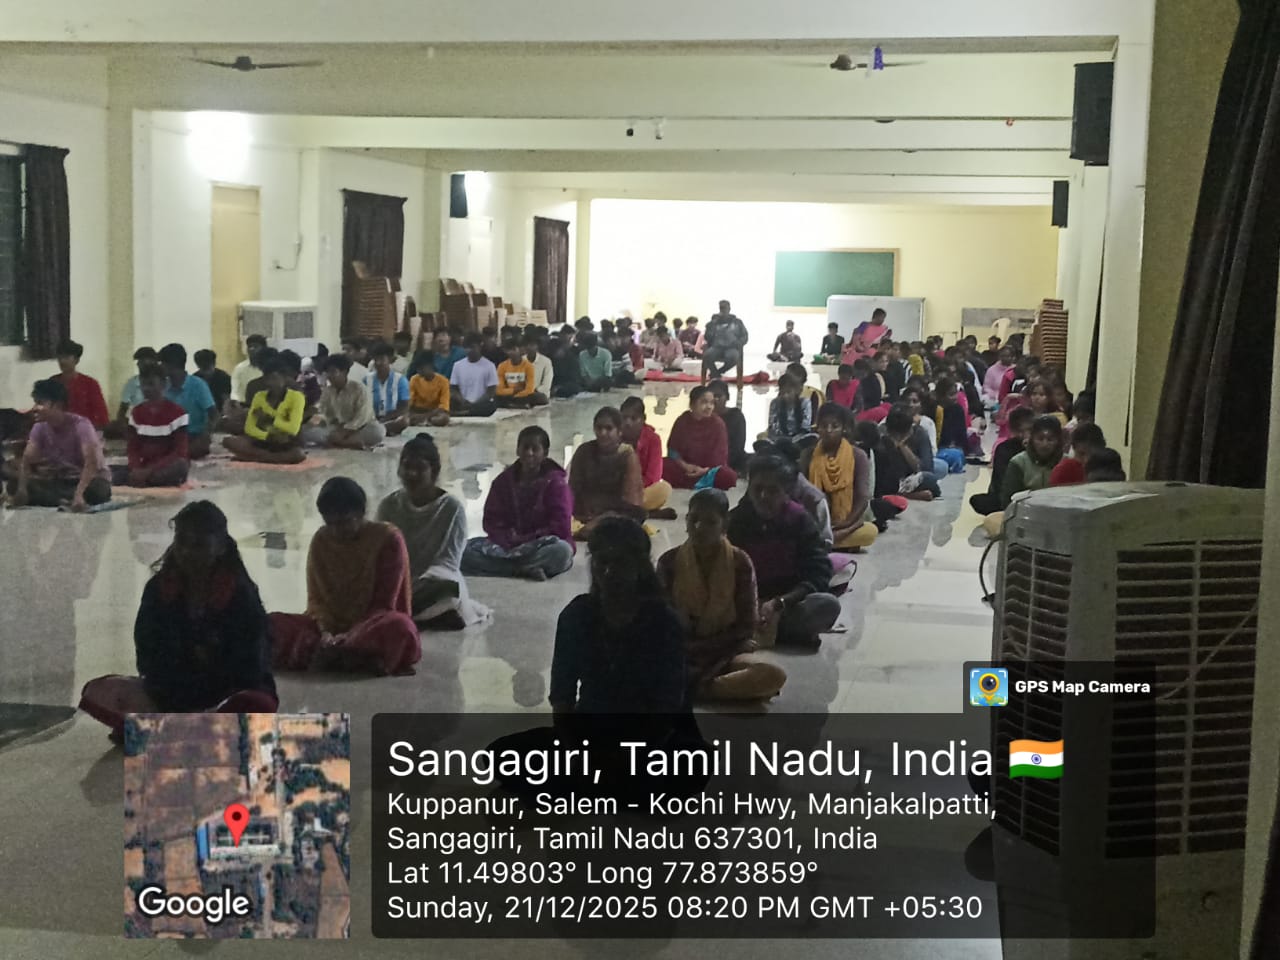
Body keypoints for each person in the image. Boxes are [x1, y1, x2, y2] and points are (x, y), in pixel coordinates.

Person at [77, 502, 278, 740]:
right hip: (172, 694)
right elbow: (147, 657)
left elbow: (251, 667)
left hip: (225, 694)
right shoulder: (158, 589)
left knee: (257, 704)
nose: (187, 552)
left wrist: (204, 682)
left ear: (221, 547)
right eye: (181, 541)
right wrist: (174, 688)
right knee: (100, 691)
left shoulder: (240, 594)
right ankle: (192, 729)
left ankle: (169, 729)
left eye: (199, 545)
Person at [269, 477, 420, 675]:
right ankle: (345, 655)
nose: (335, 531)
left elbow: (385, 604)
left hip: (371, 627)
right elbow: (317, 601)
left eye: (343, 523)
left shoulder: (388, 539)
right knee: (271, 624)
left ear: (362, 513)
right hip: (324, 630)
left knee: (400, 627)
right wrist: (325, 632)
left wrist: (348, 635)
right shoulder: (321, 539)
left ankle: (331, 654)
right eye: (329, 523)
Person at [657, 490, 786, 702]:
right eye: (694, 519)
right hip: (679, 652)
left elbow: (746, 624)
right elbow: (662, 622)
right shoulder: (669, 561)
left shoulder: (740, 562)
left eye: (710, 522)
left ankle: (696, 688)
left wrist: (713, 646)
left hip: (726, 653)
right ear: (686, 521)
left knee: (772, 674)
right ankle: (708, 688)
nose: (700, 527)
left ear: (725, 524)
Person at [549, 515, 686, 713]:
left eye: (620, 563)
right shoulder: (577, 615)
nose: (608, 572)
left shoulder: (663, 622)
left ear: (640, 567)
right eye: (602, 561)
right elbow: (562, 696)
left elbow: (669, 703)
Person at [376, 435, 490, 630]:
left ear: (434, 471)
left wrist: (418, 584)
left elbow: (449, 563)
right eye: (406, 467)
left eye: (419, 468)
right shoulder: (388, 506)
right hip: (398, 583)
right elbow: (380, 555)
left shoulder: (451, 508)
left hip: (433, 584)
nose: (411, 474)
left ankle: (398, 614)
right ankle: (413, 615)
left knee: (448, 589)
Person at [727, 456, 839, 649]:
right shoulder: (737, 520)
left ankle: (753, 633)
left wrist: (779, 603)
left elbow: (818, 574)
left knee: (827, 605)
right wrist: (749, 605)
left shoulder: (801, 521)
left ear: (786, 492)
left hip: (787, 604)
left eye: (772, 491)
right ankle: (782, 635)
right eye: (757, 489)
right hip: (743, 605)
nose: (763, 496)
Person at [461, 425, 576, 581]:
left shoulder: (556, 484)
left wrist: (527, 538)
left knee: (562, 552)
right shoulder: (503, 481)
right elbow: (491, 521)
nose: (529, 453)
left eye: (535, 449)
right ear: (517, 450)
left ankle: (507, 568)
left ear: (545, 453)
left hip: (541, 544)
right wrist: (507, 538)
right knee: (463, 550)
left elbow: (561, 527)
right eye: (525, 447)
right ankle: (525, 569)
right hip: (506, 545)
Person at [6, 378, 111, 510]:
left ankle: (64, 499)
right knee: (13, 485)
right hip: (59, 481)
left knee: (98, 491)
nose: (34, 408)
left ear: (57, 405)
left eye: (40, 403)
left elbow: (91, 463)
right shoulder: (39, 427)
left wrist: (79, 494)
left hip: (88, 481)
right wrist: (22, 490)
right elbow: (27, 460)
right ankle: (63, 500)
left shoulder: (82, 425)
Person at [805, 404, 877, 551]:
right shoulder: (808, 455)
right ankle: (831, 541)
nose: (829, 430)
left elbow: (863, 496)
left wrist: (848, 523)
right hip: (818, 521)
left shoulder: (858, 455)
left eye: (835, 426)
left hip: (847, 520)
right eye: (824, 426)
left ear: (844, 428)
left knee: (870, 532)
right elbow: (803, 495)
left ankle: (823, 543)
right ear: (817, 428)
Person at [568, 406, 647, 538]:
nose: (603, 433)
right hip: (585, 512)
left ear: (619, 431)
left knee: (661, 491)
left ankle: (597, 525)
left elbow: (630, 501)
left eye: (609, 428)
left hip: (616, 512)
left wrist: (606, 514)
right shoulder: (584, 451)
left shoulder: (627, 455)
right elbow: (572, 488)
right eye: (599, 428)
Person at [223, 353, 307, 463]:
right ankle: (270, 458)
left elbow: (292, 428)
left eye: (274, 378)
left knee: (298, 454)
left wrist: (269, 418)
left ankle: (256, 457)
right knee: (228, 441)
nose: (270, 383)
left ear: (284, 378)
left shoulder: (297, 397)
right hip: (263, 439)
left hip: (287, 440)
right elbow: (249, 428)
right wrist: (268, 436)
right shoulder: (259, 396)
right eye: (267, 379)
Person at [119, 363, 190, 487]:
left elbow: (179, 451)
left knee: (181, 465)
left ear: (164, 385)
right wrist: (136, 467)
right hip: (144, 465)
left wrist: (149, 471)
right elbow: (133, 448)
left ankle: (142, 480)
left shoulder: (178, 413)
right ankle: (142, 479)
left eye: (151, 384)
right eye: (143, 384)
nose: (146, 388)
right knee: (108, 471)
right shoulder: (136, 412)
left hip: (164, 466)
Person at [663, 386, 739, 490]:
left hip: (708, 472)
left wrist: (704, 470)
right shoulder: (682, 421)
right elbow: (673, 451)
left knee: (728, 476)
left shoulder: (718, 424)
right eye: (704, 402)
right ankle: (697, 483)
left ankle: (693, 483)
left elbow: (720, 456)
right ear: (692, 404)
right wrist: (686, 466)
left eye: (712, 403)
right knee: (663, 465)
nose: (709, 407)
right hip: (685, 469)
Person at [969, 406, 1034, 516]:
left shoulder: (1039, 446)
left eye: (1029, 430)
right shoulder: (1004, 448)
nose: (1025, 435)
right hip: (1009, 496)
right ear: (1013, 431)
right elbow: (1001, 481)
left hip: (1033, 495)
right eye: (1020, 431)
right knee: (977, 500)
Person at [620, 396, 676, 519]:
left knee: (664, 489)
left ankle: (626, 510)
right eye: (624, 418)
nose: (628, 423)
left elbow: (653, 477)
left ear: (643, 419)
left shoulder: (653, 439)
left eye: (633, 418)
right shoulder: (614, 436)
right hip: (616, 491)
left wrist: (632, 487)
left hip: (640, 490)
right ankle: (643, 512)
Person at [158, 343, 218, 459]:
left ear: (172, 364)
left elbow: (214, 414)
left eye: (162, 363)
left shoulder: (198, 385)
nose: (160, 366)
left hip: (194, 435)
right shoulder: (163, 386)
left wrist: (206, 435)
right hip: (171, 435)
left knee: (195, 448)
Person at [873, 406, 943, 502]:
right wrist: (891, 445)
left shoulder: (919, 432)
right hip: (890, 481)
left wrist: (902, 446)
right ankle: (907, 495)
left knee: (931, 477)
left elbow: (926, 468)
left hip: (910, 477)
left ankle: (904, 494)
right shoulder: (881, 434)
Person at [1000, 415, 1064, 508]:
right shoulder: (1018, 462)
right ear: (1032, 439)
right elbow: (1008, 501)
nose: (1044, 444)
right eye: (1040, 439)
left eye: (1050, 439)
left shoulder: (1067, 463)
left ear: (1058, 441)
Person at [760, 373, 817, 462]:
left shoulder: (805, 403)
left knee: (814, 437)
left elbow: (805, 427)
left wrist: (793, 440)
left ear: (797, 391)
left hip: (799, 439)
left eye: (788, 392)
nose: (785, 396)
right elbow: (773, 427)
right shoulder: (775, 403)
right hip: (779, 439)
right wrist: (782, 439)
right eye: (782, 393)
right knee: (763, 441)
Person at [53, 339, 109, 429]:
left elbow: (102, 417)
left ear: (76, 360)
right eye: (60, 357)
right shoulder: (52, 383)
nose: (62, 361)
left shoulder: (90, 384)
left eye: (66, 357)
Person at [108, 346, 160, 439]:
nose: (139, 364)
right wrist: (122, 425)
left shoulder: (164, 382)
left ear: (154, 362)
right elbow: (123, 409)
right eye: (138, 361)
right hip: (138, 425)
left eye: (142, 360)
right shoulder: (132, 383)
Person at [365, 341, 411, 436]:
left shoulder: (400, 380)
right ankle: (380, 431)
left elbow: (404, 407)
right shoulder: (367, 379)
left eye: (382, 359)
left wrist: (385, 419)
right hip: (372, 419)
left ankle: (379, 430)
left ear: (390, 360)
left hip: (391, 419)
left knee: (403, 421)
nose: (378, 363)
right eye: (375, 359)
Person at [449, 333, 499, 417]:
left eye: (472, 347)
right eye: (466, 348)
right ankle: (466, 412)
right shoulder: (457, 365)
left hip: (481, 404)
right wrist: (462, 400)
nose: (469, 350)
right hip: (463, 403)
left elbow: (490, 392)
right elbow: (453, 389)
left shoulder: (490, 366)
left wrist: (475, 404)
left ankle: (466, 412)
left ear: (480, 346)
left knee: (491, 405)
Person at [702, 300, 749, 379]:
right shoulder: (714, 322)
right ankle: (715, 374)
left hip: (732, 347)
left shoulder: (737, 322)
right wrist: (711, 325)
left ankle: (718, 372)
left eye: (725, 308)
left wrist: (738, 343)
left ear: (729, 309)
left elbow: (744, 336)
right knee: (707, 356)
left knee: (734, 357)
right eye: (722, 308)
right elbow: (707, 337)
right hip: (716, 347)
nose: (724, 310)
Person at [708, 379, 748, 471]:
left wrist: (718, 464)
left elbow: (738, 447)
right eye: (712, 396)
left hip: (731, 461)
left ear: (727, 397)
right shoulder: (703, 416)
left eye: (718, 396)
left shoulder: (736, 416)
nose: (715, 400)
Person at [1050, 422, 1106, 487]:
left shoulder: (1107, 468)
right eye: (1081, 454)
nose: (1086, 460)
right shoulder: (1064, 470)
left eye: (1093, 455)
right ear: (1074, 449)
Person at [407, 351, 451, 427]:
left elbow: (444, 407)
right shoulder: (414, 379)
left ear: (430, 366)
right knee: (406, 418)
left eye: (421, 368)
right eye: (418, 368)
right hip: (418, 412)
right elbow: (409, 402)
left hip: (434, 413)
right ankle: (425, 421)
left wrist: (425, 416)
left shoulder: (443, 381)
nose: (418, 371)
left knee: (444, 418)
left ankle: (425, 421)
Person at [495, 339, 543, 407]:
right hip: (508, 395)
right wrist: (514, 390)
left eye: (514, 349)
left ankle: (513, 404)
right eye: (509, 350)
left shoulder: (529, 366)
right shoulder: (502, 366)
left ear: (521, 350)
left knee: (538, 397)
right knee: (495, 397)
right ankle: (516, 404)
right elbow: (499, 390)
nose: (512, 352)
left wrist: (516, 396)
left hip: (523, 395)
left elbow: (529, 389)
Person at [230, 334, 268, 407]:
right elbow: (235, 390)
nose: (251, 349)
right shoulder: (239, 368)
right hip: (244, 406)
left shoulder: (269, 368)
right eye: (249, 346)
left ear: (264, 349)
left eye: (255, 346)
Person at [193, 349, 233, 414]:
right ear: (198, 366)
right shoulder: (195, 379)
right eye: (203, 369)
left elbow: (226, 401)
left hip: (220, 412)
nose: (206, 373)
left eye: (208, 368)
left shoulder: (223, 377)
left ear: (214, 364)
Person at [549, 328, 584, 398]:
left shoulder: (571, 359)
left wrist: (558, 388)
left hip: (566, 385)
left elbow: (574, 378)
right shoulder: (549, 359)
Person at [524, 331, 554, 404]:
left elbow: (547, 384)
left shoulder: (546, 361)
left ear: (537, 346)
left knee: (539, 397)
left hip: (539, 394)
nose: (529, 347)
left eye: (532, 345)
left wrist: (534, 391)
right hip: (523, 393)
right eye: (527, 345)